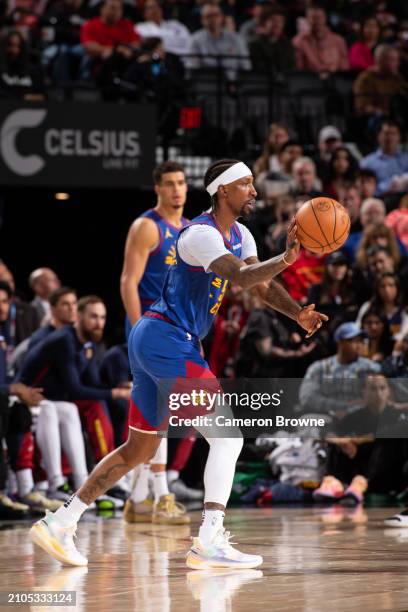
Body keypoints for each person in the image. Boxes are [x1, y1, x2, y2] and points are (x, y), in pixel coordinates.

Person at [30, 158, 327, 569]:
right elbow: (240, 278)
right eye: (246, 185)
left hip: (161, 340)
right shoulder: (199, 235)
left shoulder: (240, 234)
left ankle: (60, 522)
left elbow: (258, 283)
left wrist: (296, 313)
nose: (254, 192)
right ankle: (209, 539)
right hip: (166, 339)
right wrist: (287, 260)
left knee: (139, 448)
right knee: (228, 437)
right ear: (223, 191)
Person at [120, 160, 192, 523]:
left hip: (178, 329)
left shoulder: (192, 230)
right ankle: (161, 495)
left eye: (181, 182)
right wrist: (137, 331)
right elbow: (128, 282)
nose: (177, 189)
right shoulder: (148, 226)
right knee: (163, 409)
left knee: (155, 411)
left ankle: (137, 497)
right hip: (149, 327)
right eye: (169, 183)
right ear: (158, 189)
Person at [316, 374, 407, 505]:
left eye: (382, 388)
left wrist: (361, 439)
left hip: (387, 473)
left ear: (389, 392)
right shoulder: (357, 416)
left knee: (387, 440)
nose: (378, 394)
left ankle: (361, 483)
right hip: (359, 466)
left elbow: (392, 432)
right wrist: (342, 441)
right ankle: (332, 483)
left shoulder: (398, 416)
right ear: (363, 393)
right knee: (336, 444)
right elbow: (329, 432)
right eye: (373, 389)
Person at [299, 322, 380, 419]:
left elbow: (379, 396)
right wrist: (341, 406)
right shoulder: (319, 368)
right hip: (326, 416)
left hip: (359, 416)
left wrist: (352, 410)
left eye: (361, 341)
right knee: (307, 420)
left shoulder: (371, 368)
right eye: (354, 341)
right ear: (341, 342)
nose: (359, 345)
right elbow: (307, 398)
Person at [187, 4, 251, 78]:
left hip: (235, 83)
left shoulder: (236, 39)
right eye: (208, 16)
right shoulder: (195, 39)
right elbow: (193, 68)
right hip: (207, 84)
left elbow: (246, 66)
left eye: (216, 15)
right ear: (202, 20)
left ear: (222, 17)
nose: (212, 19)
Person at [353, 45, 408, 118]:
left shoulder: (396, 77)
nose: (397, 64)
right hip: (375, 119)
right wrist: (386, 114)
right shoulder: (365, 79)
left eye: (397, 60)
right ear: (380, 60)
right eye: (392, 60)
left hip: (398, 117)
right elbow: (363, 107)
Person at [293, 4, 349, 74]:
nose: (316, 21)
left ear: (325, 18)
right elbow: (298, 69)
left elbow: (344, 68)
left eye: (319, 17)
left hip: (335, 80)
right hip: (310, 81)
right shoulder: (299, 41)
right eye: (313, 18)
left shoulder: (338, 41)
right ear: (307, 19)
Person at [360, 121, 408, 196]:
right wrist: (388, 188)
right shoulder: (367, 163)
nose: (390, 137)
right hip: (380, 200)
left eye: (394, 134)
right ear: (378, 136)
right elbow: (363, 189)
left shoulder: (406, 159)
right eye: (386, 133)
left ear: (399, 137)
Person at [356, 272, 408, 339]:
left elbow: (404, 333)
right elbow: (358, 328)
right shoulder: (368, 306)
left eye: (391, 285)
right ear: (377, 289)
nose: (387, 290)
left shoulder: (405, 309)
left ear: (397, 288)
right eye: (382, 286)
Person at [248, 6, 295, 75]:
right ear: (264, 22)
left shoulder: (287, 44)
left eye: (280, 21)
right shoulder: (254, 44)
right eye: (273, 20)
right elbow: (258, 69)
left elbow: (291, 68)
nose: (277, 24)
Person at [0, 30, 46, 100]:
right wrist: (19, 97)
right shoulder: (2, 70)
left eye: (18, 46)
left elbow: (43, 95)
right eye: (10, 46)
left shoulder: (33, 70)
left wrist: (29, 97)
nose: (14, 50)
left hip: (28, 108)